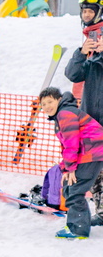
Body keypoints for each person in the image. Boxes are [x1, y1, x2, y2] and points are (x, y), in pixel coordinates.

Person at [38, 87, 103, 239]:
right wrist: (66, 168)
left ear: (59, 100)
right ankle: (78, 223)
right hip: (90, 152)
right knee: (69, 186)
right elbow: (67, 146)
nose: (47, 106)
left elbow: (71, 143)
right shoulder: (63, 113)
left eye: (50, 101)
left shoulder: (65, 113)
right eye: (43, 104)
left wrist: (71, 167)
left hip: (92, 152)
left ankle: (78, 230)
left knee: (74, 189)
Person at [65, 0, 103, 127]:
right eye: (84, 11)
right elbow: (73, 75)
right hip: (90, 112)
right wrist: (81, 53)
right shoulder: (91, 36)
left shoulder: (99, 33)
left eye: (91, 11)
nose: (86, 15)